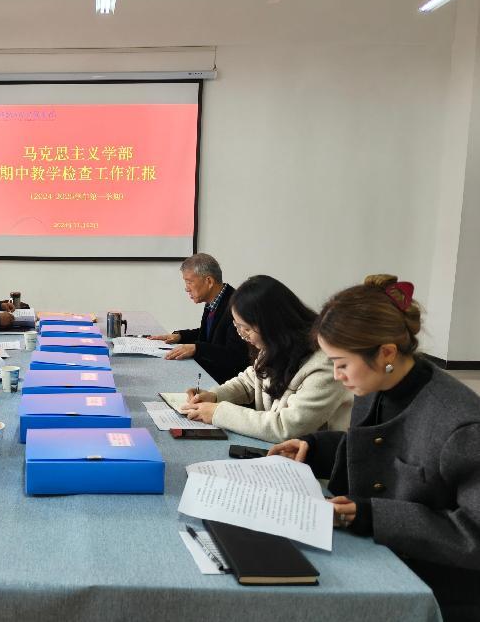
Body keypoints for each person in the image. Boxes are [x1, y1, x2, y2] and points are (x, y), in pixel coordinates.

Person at [269, 275, 480, 621]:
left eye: (341, 363)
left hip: (432, 587)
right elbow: (380, 449)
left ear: (386, 353)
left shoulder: (461, 423)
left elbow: (474, 534)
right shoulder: (378, 384)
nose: (337, 375)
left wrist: (371, 515)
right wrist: (313, 447)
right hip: (379, 555)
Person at [182, 275, 352, 442]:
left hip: (313, 457)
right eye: (237, 326)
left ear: (272, 325)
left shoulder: (325, 366)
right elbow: (249, 382)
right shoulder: (274, 345)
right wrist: (214, 396)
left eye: (246, 329)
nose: (242, 335)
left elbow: (286, 427)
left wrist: (218, 412)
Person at [148, 253, 248, 383]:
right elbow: (210, 335)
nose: (186, 289)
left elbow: (235, 355)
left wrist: (197, 348)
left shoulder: (236, 306)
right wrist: (180, 336)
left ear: (209, 281)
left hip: (226, 382)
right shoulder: (215, 300)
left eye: (189, 282)